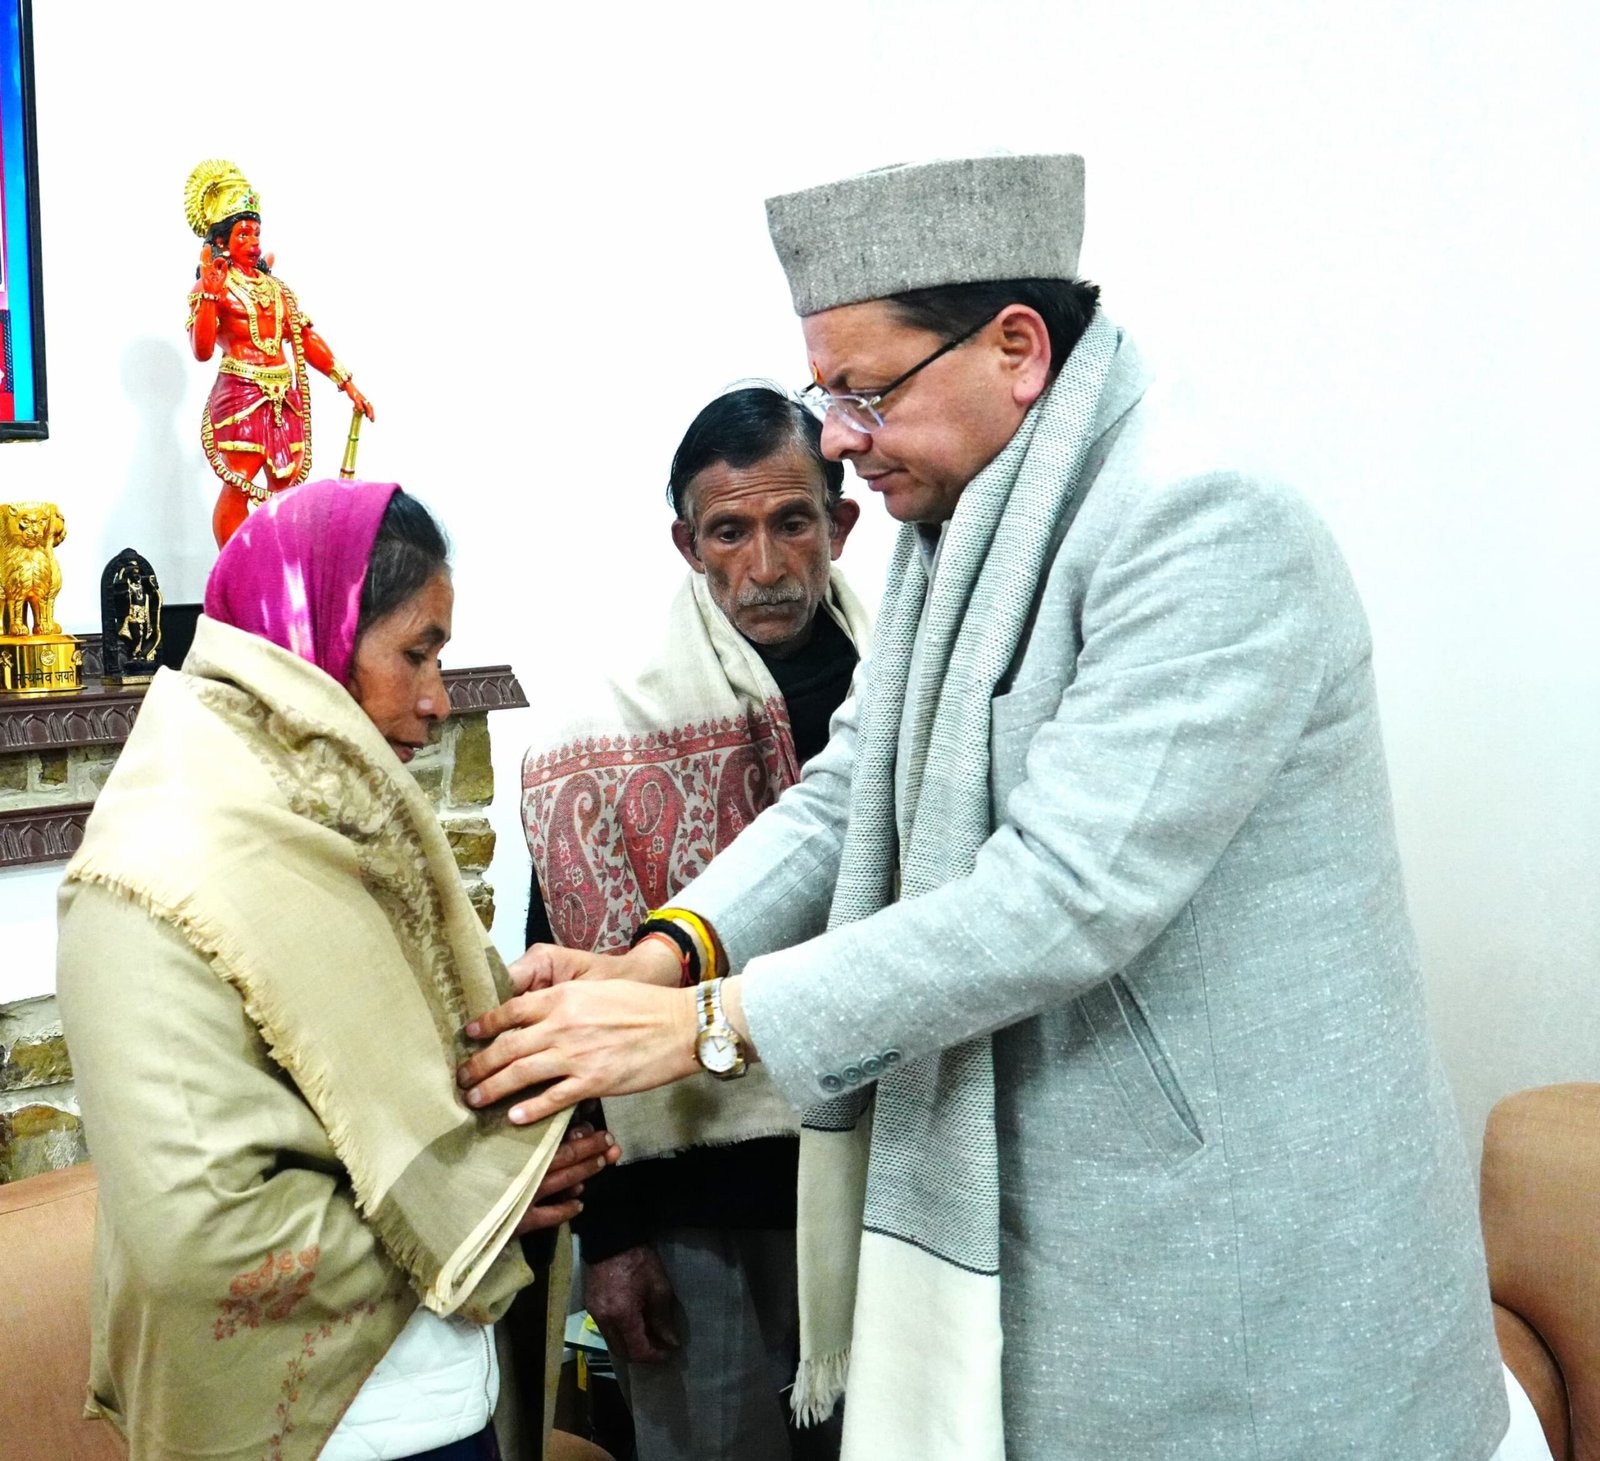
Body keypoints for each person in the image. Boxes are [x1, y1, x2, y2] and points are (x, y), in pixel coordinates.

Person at [457, 155, 1555, 1461]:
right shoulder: (966, 524)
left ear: (1017, 350)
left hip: (1234, 1237)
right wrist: (662, 957)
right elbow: (850, 787)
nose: (838, 440)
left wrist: (706, 1029)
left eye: (864, 393)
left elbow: (1060, 899)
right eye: (826, 396)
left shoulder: (1199, 520)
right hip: (1063, 1210)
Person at [57, 480, 617, 1461]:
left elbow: (409, 1089)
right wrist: (470, 1216)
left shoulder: (338, 824)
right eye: (416, 653)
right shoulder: (150, 875)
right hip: (323, 1432)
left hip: (446, 1398)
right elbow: (197, 1237)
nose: (439, 699)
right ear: (309, 636)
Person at [520, 385, 867, 1460]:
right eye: (729, 531)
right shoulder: (601, 739)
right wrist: (613, 1241)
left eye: (792, 522)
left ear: (841, 522)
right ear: (687, 544)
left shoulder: (902, 693)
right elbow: (567, 1005)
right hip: (688, 1209)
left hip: (880, 1172)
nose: (764, 565)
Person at [184, 160, 376, 546]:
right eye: (243, 234)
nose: (253, 242)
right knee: (239, 481)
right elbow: (202, 351)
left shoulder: (277, 289)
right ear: (221, 242)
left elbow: (304, 336)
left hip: (283, 398)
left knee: (287, 486)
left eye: (256, 233)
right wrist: (209, 295)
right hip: (241, 394)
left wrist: (346, 383)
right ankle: (234, 567)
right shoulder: (214, 288)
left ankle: (281, 561)